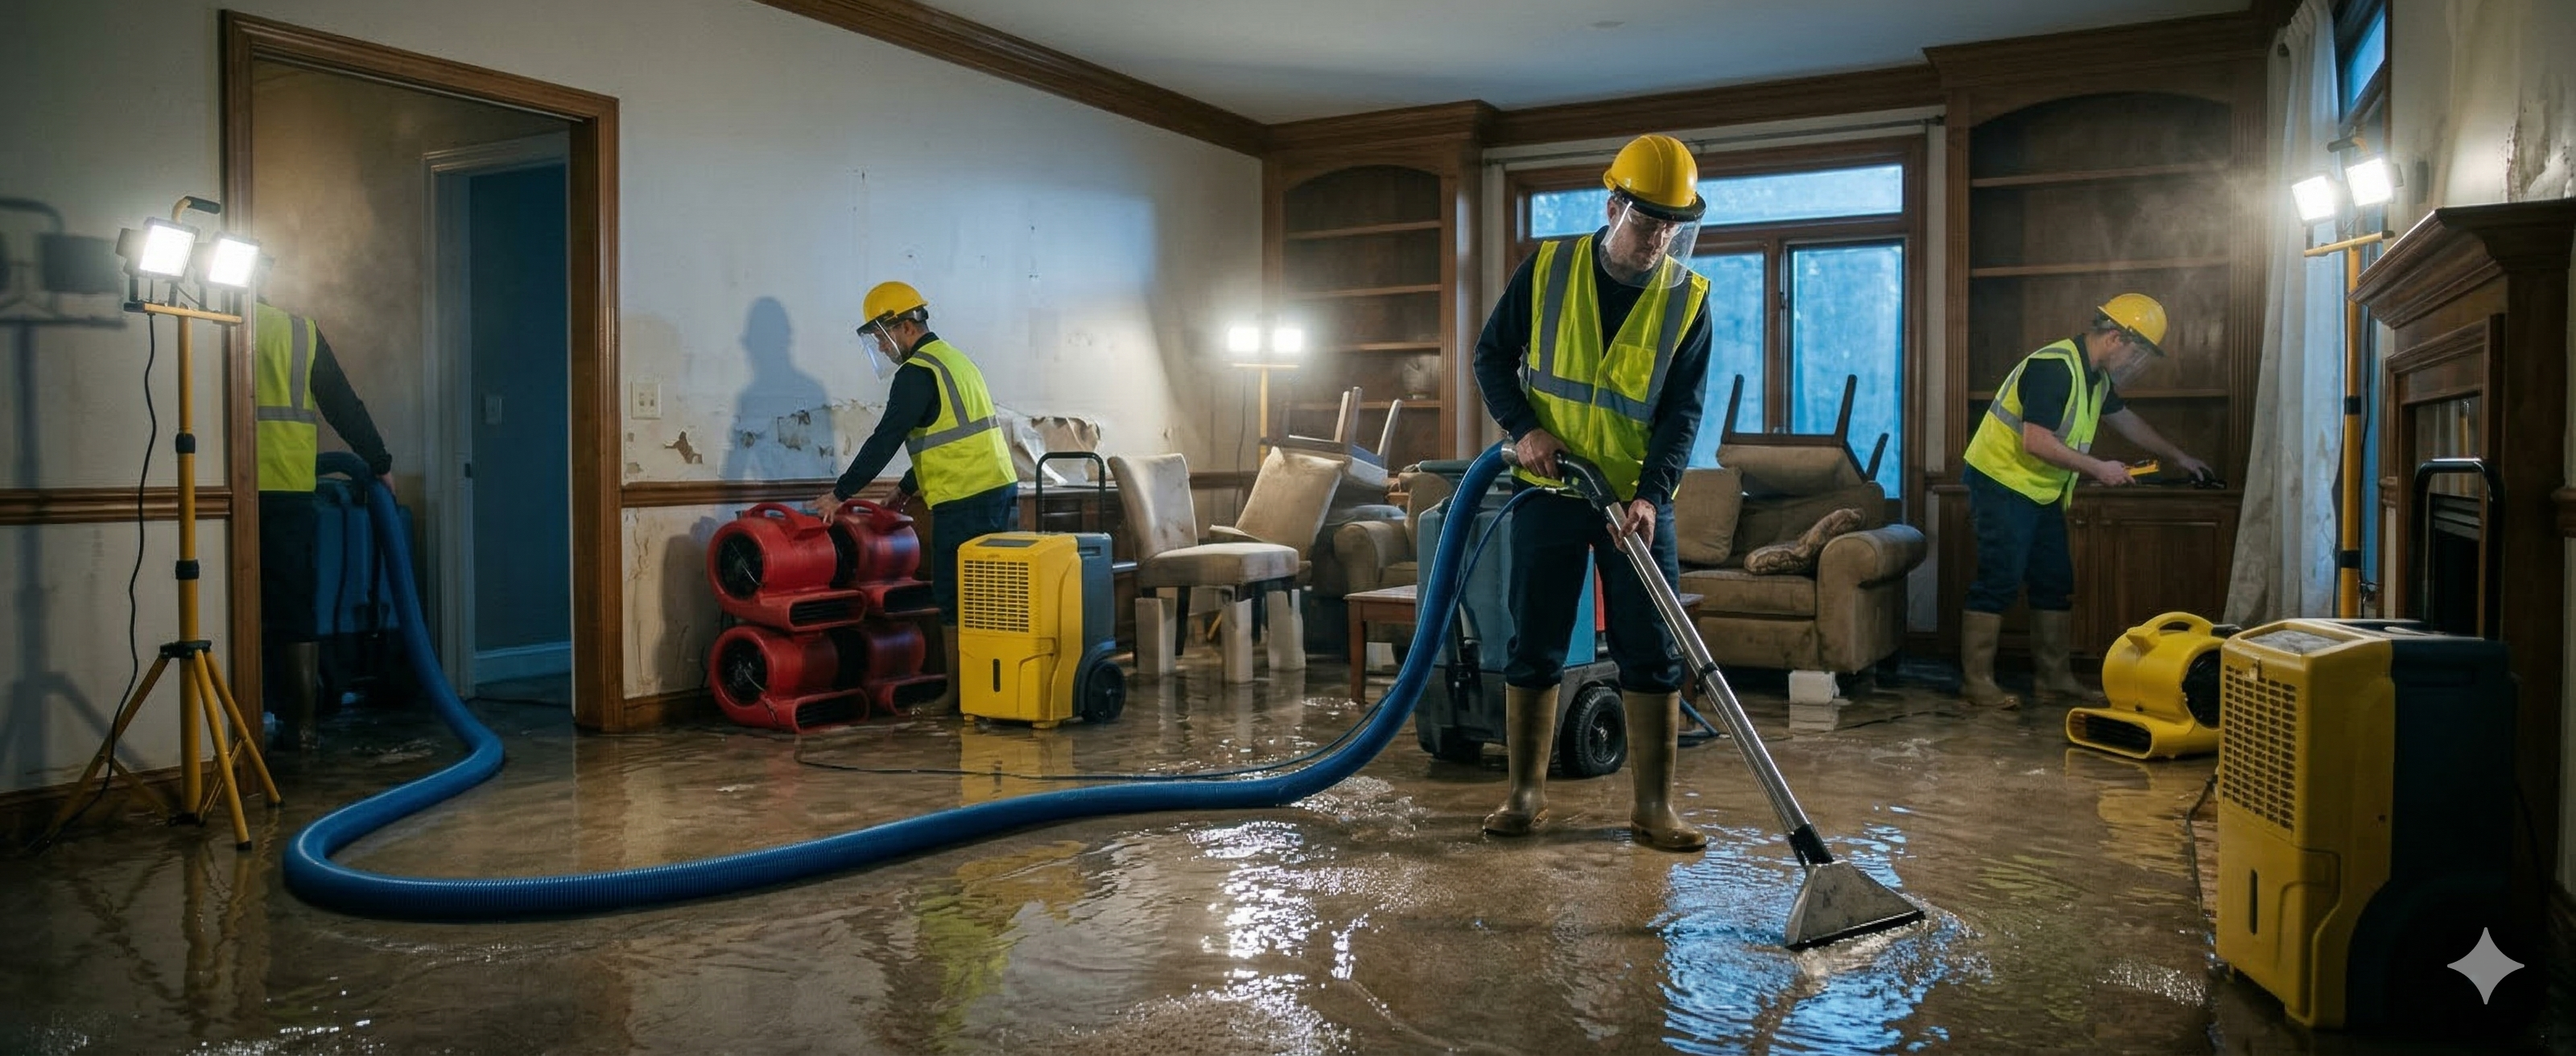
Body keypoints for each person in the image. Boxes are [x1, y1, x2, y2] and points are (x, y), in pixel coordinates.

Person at [1470, 133, 1715, 852]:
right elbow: (1491, 356)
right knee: (1536, 642)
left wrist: (1651, 495)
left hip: (1635, 505)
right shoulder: (1548, 269)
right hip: (1550, 489)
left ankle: (1653, 807)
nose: (1659, 238)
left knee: (1650, 650)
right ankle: (1524, 793)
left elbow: (1681, 414)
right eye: (1647, 222)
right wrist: (1524, 429)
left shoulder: (1688, 300)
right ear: (1613, 205)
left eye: (1673, 225)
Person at [1957, 294, 2213, 710]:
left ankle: (2053, 680)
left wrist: (2177, 455)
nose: (2138, 364)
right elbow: (2035, 440)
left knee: (2055, 582)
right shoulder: (2054, 368)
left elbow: (2125, 419)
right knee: (1999, 580)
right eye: (2139, 352)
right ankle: (1976, 683)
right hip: (2001, 483)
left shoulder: (2095, 376)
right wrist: (2099, 468)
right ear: (2115, 338)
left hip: (2041, 490)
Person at [813, 281, 1017, 712]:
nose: (882, 350)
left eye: (881, 338)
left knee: (953, 596)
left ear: (903, 326)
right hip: (996, 488)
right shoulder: (955, 362)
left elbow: (886, 439)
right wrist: (905, 490)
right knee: (992, 596)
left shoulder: (916, 373)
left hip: (963, 499)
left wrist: (839, 494)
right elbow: (948, 439)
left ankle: (958, 697)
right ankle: (996, 692)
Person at [252, 286, 394, 751]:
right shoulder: (299, 332)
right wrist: (378, 460)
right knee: (292, 608)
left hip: (226, 491)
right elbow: (343, 404)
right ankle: (301, 730)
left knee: (232, 605)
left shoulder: (211, 323)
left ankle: (241, 729)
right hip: (289, 491)